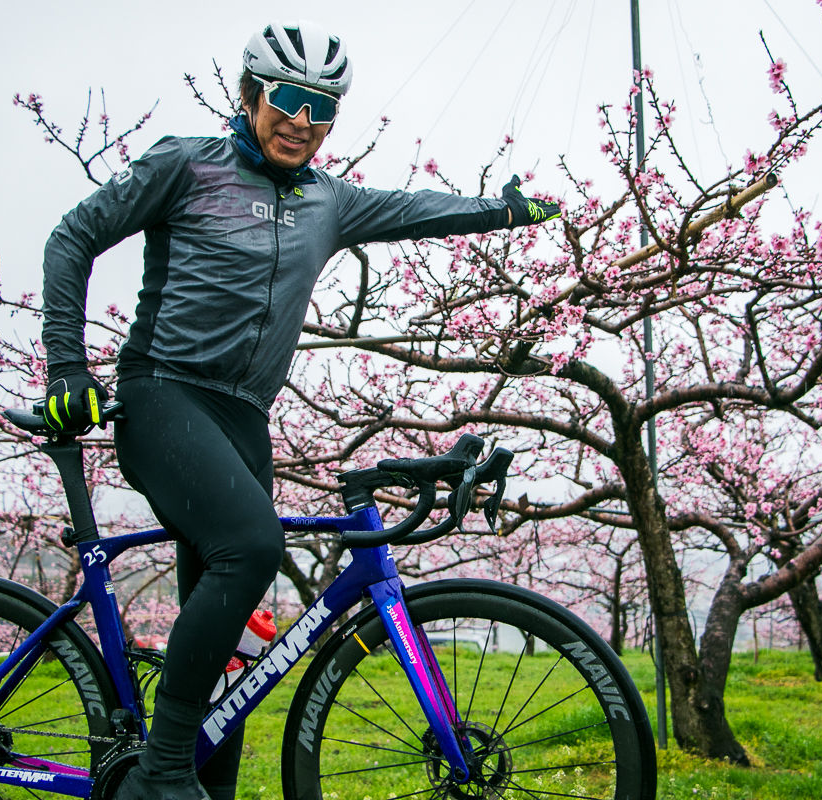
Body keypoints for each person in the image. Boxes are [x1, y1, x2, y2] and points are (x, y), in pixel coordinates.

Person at [39, 19, 560, 800]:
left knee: (226, 628)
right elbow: (72, 236)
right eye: (287, 99)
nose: (303, 123)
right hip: (165, 395)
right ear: (250, 95)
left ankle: (196, 785)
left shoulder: (329, 200)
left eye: (323, 109)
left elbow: (414, 207)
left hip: (246, 420)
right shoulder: (187, 165)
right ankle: (162, 773)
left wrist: (503, 210)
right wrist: (66, 365)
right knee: (251, 548)